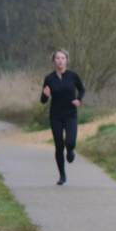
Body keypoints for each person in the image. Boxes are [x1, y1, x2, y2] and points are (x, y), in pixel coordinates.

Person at [40, 49, 84, 185]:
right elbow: (43, 100)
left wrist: (79, 99)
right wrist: (45, 95)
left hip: (70, 114)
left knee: (70, 142)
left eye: (63, 58)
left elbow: (81, 89)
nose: (60, 61)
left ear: (67, 60)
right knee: (59, 146)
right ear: (54, 61)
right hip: (56, 115)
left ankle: (70, 152)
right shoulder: (49, 78)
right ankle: (62, 175)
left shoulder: (73, 76)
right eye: (57, 58)